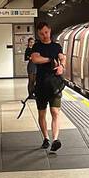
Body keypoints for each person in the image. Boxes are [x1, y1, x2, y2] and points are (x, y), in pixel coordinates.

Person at [28, 21, 65, 152]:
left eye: (46, 32)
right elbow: (35, 59)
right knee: (42, 113)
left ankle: (55, 139)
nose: (45, 35)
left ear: (50, 30)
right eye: (42, 34)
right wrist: (50, 59)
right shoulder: (36, 46)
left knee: (55, 112)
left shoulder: (56, 46)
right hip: (41, 85)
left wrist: (61, 66)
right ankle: (46, 138)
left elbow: (62, 57)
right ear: (38, 34)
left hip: (55, 84)